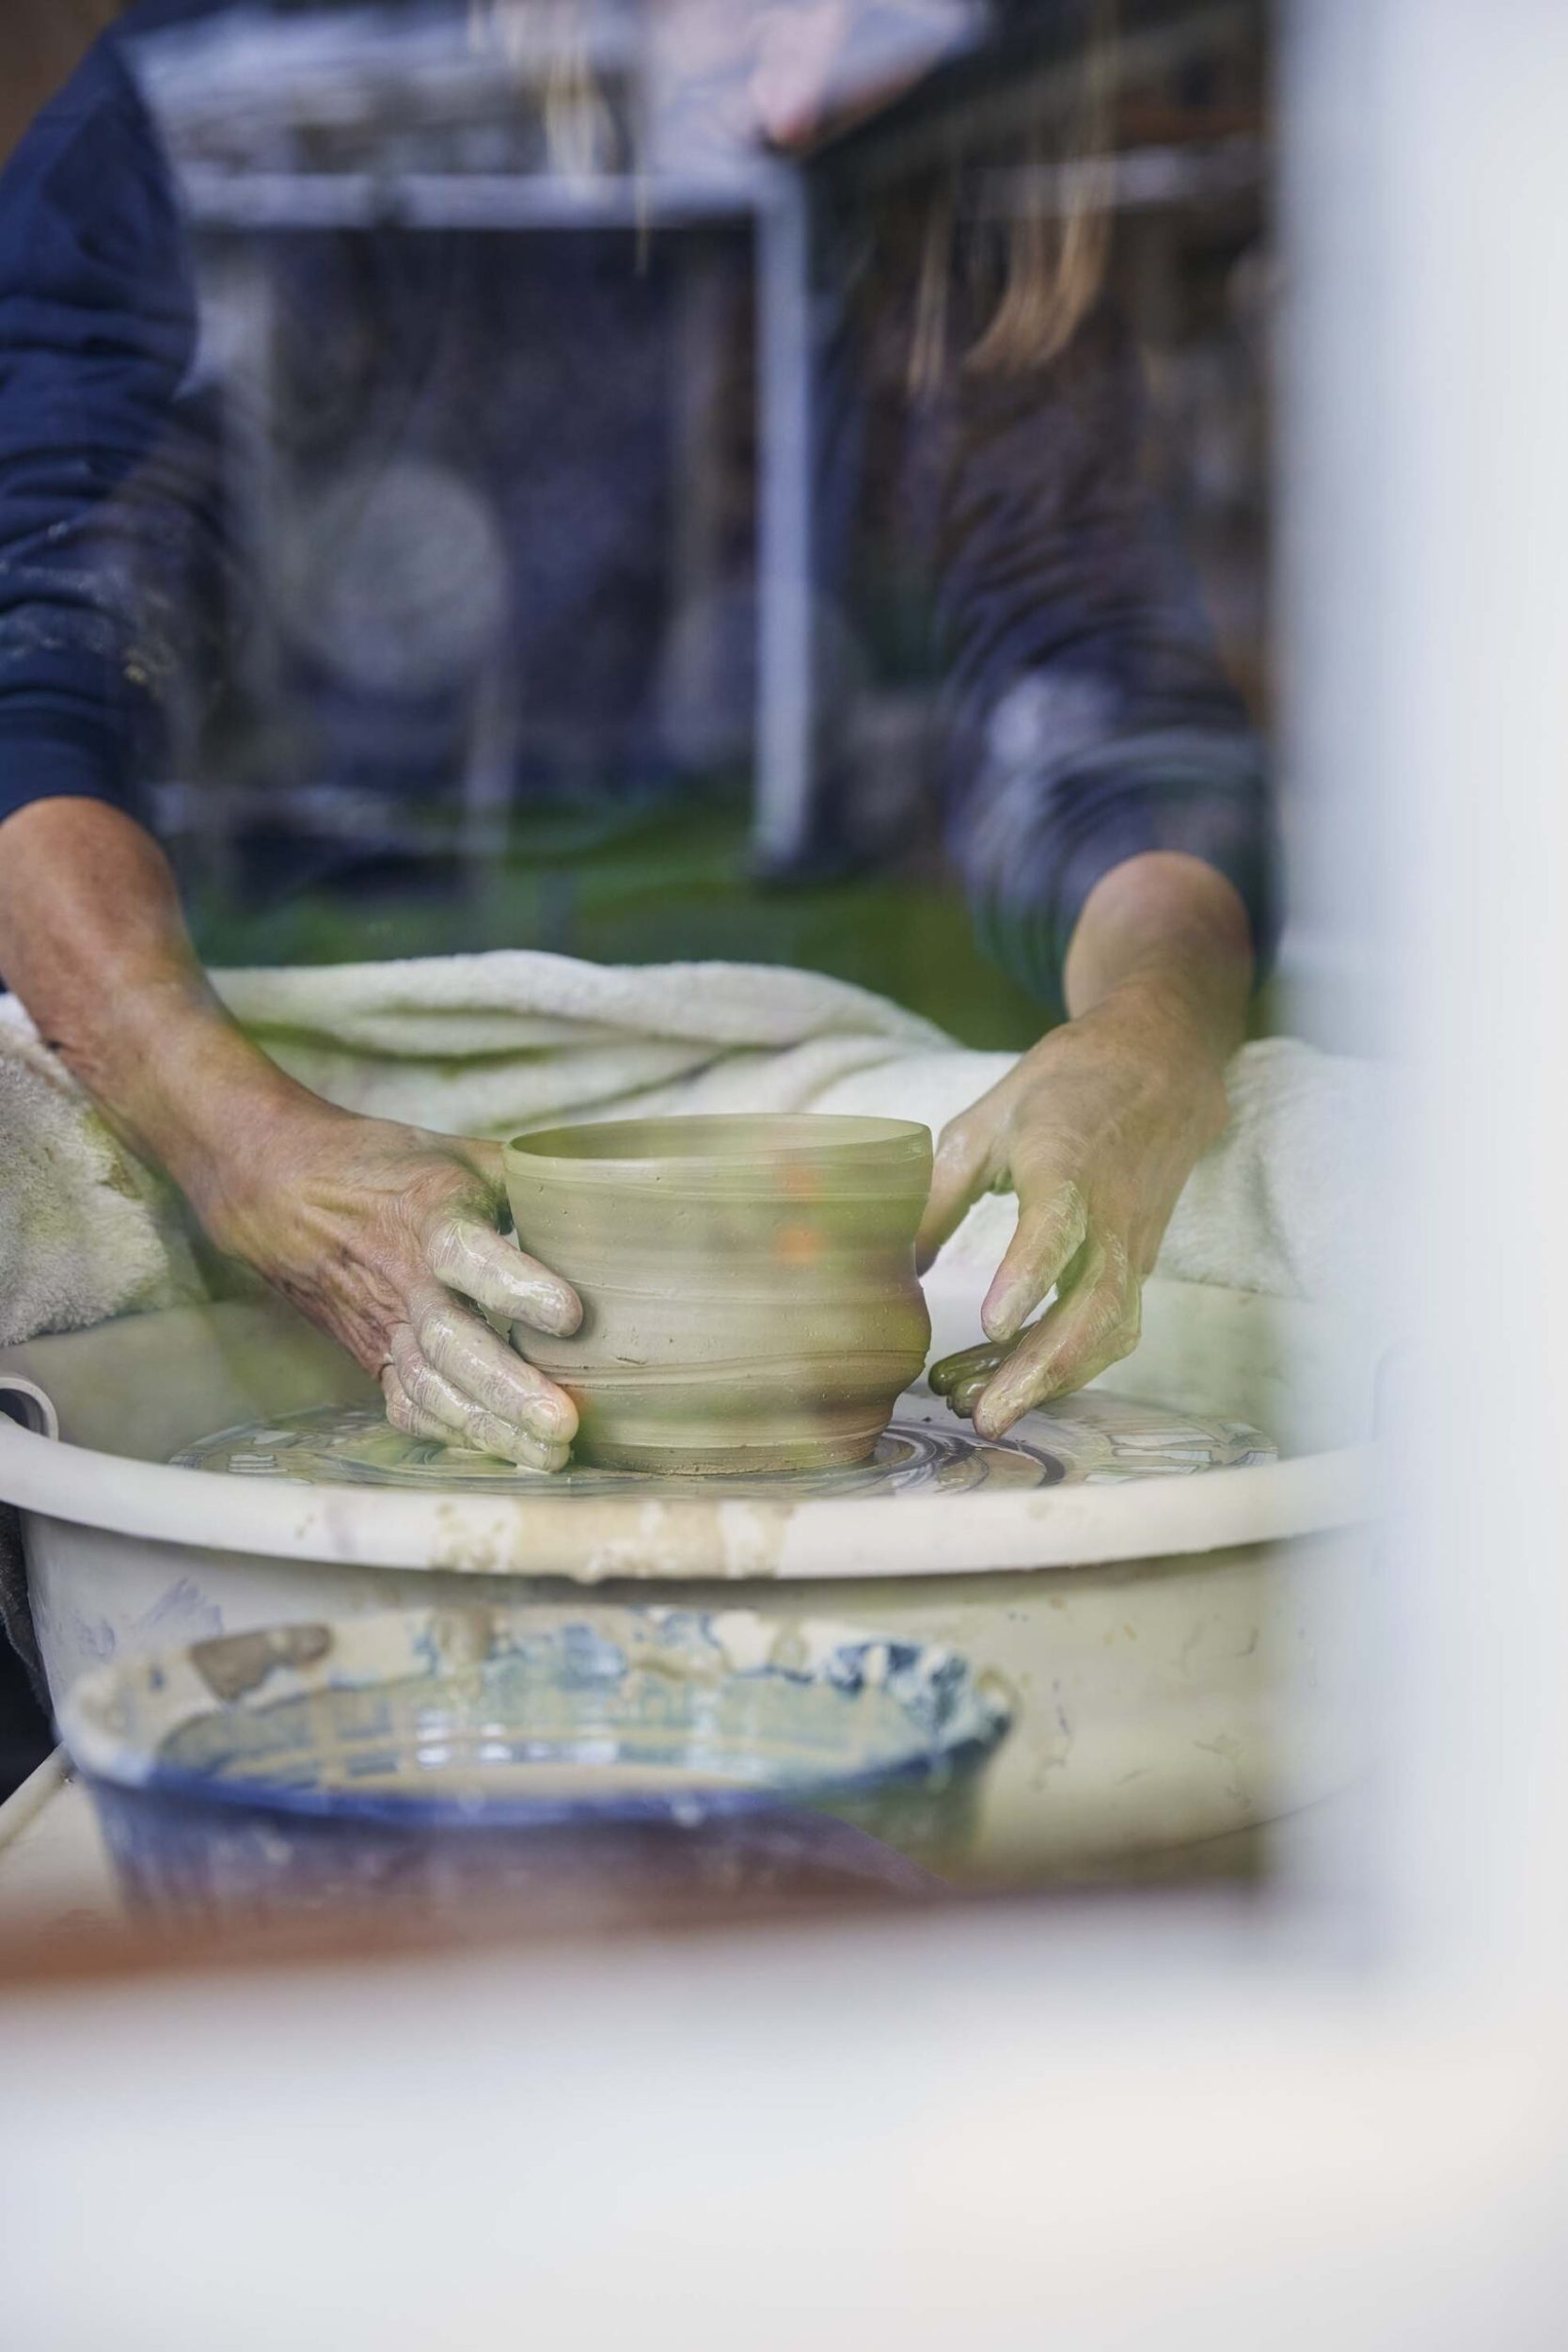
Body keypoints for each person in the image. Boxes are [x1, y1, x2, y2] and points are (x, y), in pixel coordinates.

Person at [0, 0, 1271, 1468]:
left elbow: (1098, 706)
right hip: (249, 1036)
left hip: (768, 1063)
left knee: (1340, 1177)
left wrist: (1148, 1037)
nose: (808, 79)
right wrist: (239, 1150)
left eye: (885, 11)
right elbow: (41, 673)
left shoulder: (966, 146)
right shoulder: (264, 91)